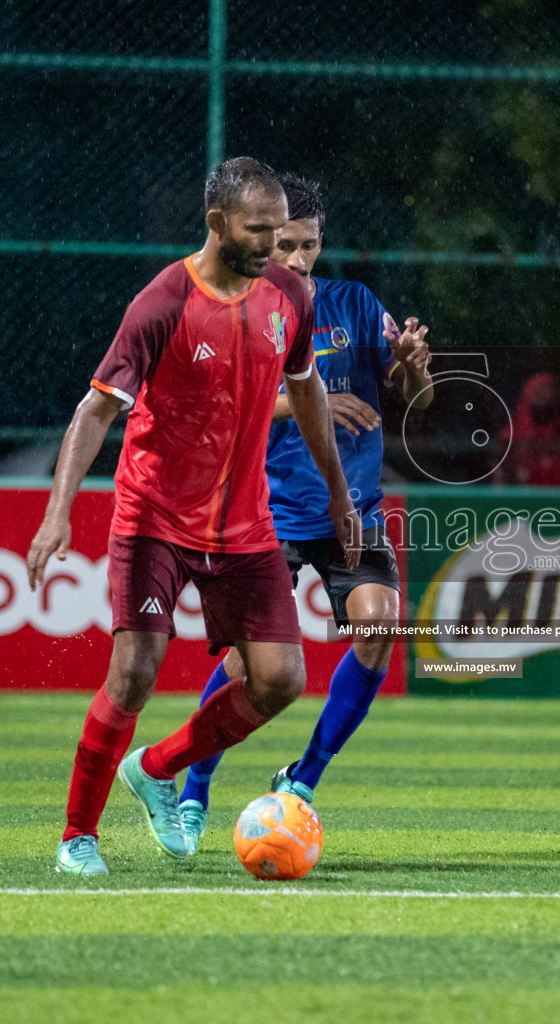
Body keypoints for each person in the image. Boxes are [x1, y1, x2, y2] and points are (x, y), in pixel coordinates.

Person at [25, 158, 360, 877]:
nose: (274, 244)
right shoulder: (163, 302)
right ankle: (77, 835)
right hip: (154, 516)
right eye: (258, 229)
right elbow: (94, 413)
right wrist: (57, 516)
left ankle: (157, 767)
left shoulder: (289, 297)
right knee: (135, 671)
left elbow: (308, 396)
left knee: (280, 680)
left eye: (281, 230)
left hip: (245, 525)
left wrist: (338, 492)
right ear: (216, 223)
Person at [175, 174, 434, 836]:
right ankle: (194, 783)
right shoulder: (243, 311)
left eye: (308, 246)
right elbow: (225, 407)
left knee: (379, 630)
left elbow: (418, 400)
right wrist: (310, 401)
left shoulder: (352, 304)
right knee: (242, 663)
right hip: (267, 512)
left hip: (355, 510)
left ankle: (304, 777)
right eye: (284, 244)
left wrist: (412, 366)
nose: (295, 260)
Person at [496, 372, 560, 486]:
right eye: (540, 395)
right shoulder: (509, 438)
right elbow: (501, 484)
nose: (546, 401)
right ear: (528, 395)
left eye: (550, 396)